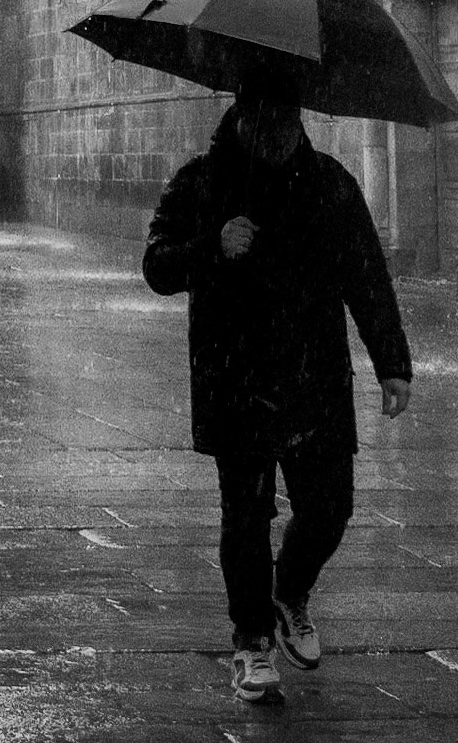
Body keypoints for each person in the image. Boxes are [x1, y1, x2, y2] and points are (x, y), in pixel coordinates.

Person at [142, 87, 411, 704]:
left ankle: (288, 591)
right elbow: (157, 266)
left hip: (315, 374)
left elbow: (365, 272)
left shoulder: (329, 184)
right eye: (269, 119)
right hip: (235, 376)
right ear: (243, 116)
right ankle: (252, 640)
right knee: (246, 514)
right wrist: (213, 245)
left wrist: (391, 362)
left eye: (290, 119)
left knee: (329, 508)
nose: (282, 132)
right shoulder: (200, 182)